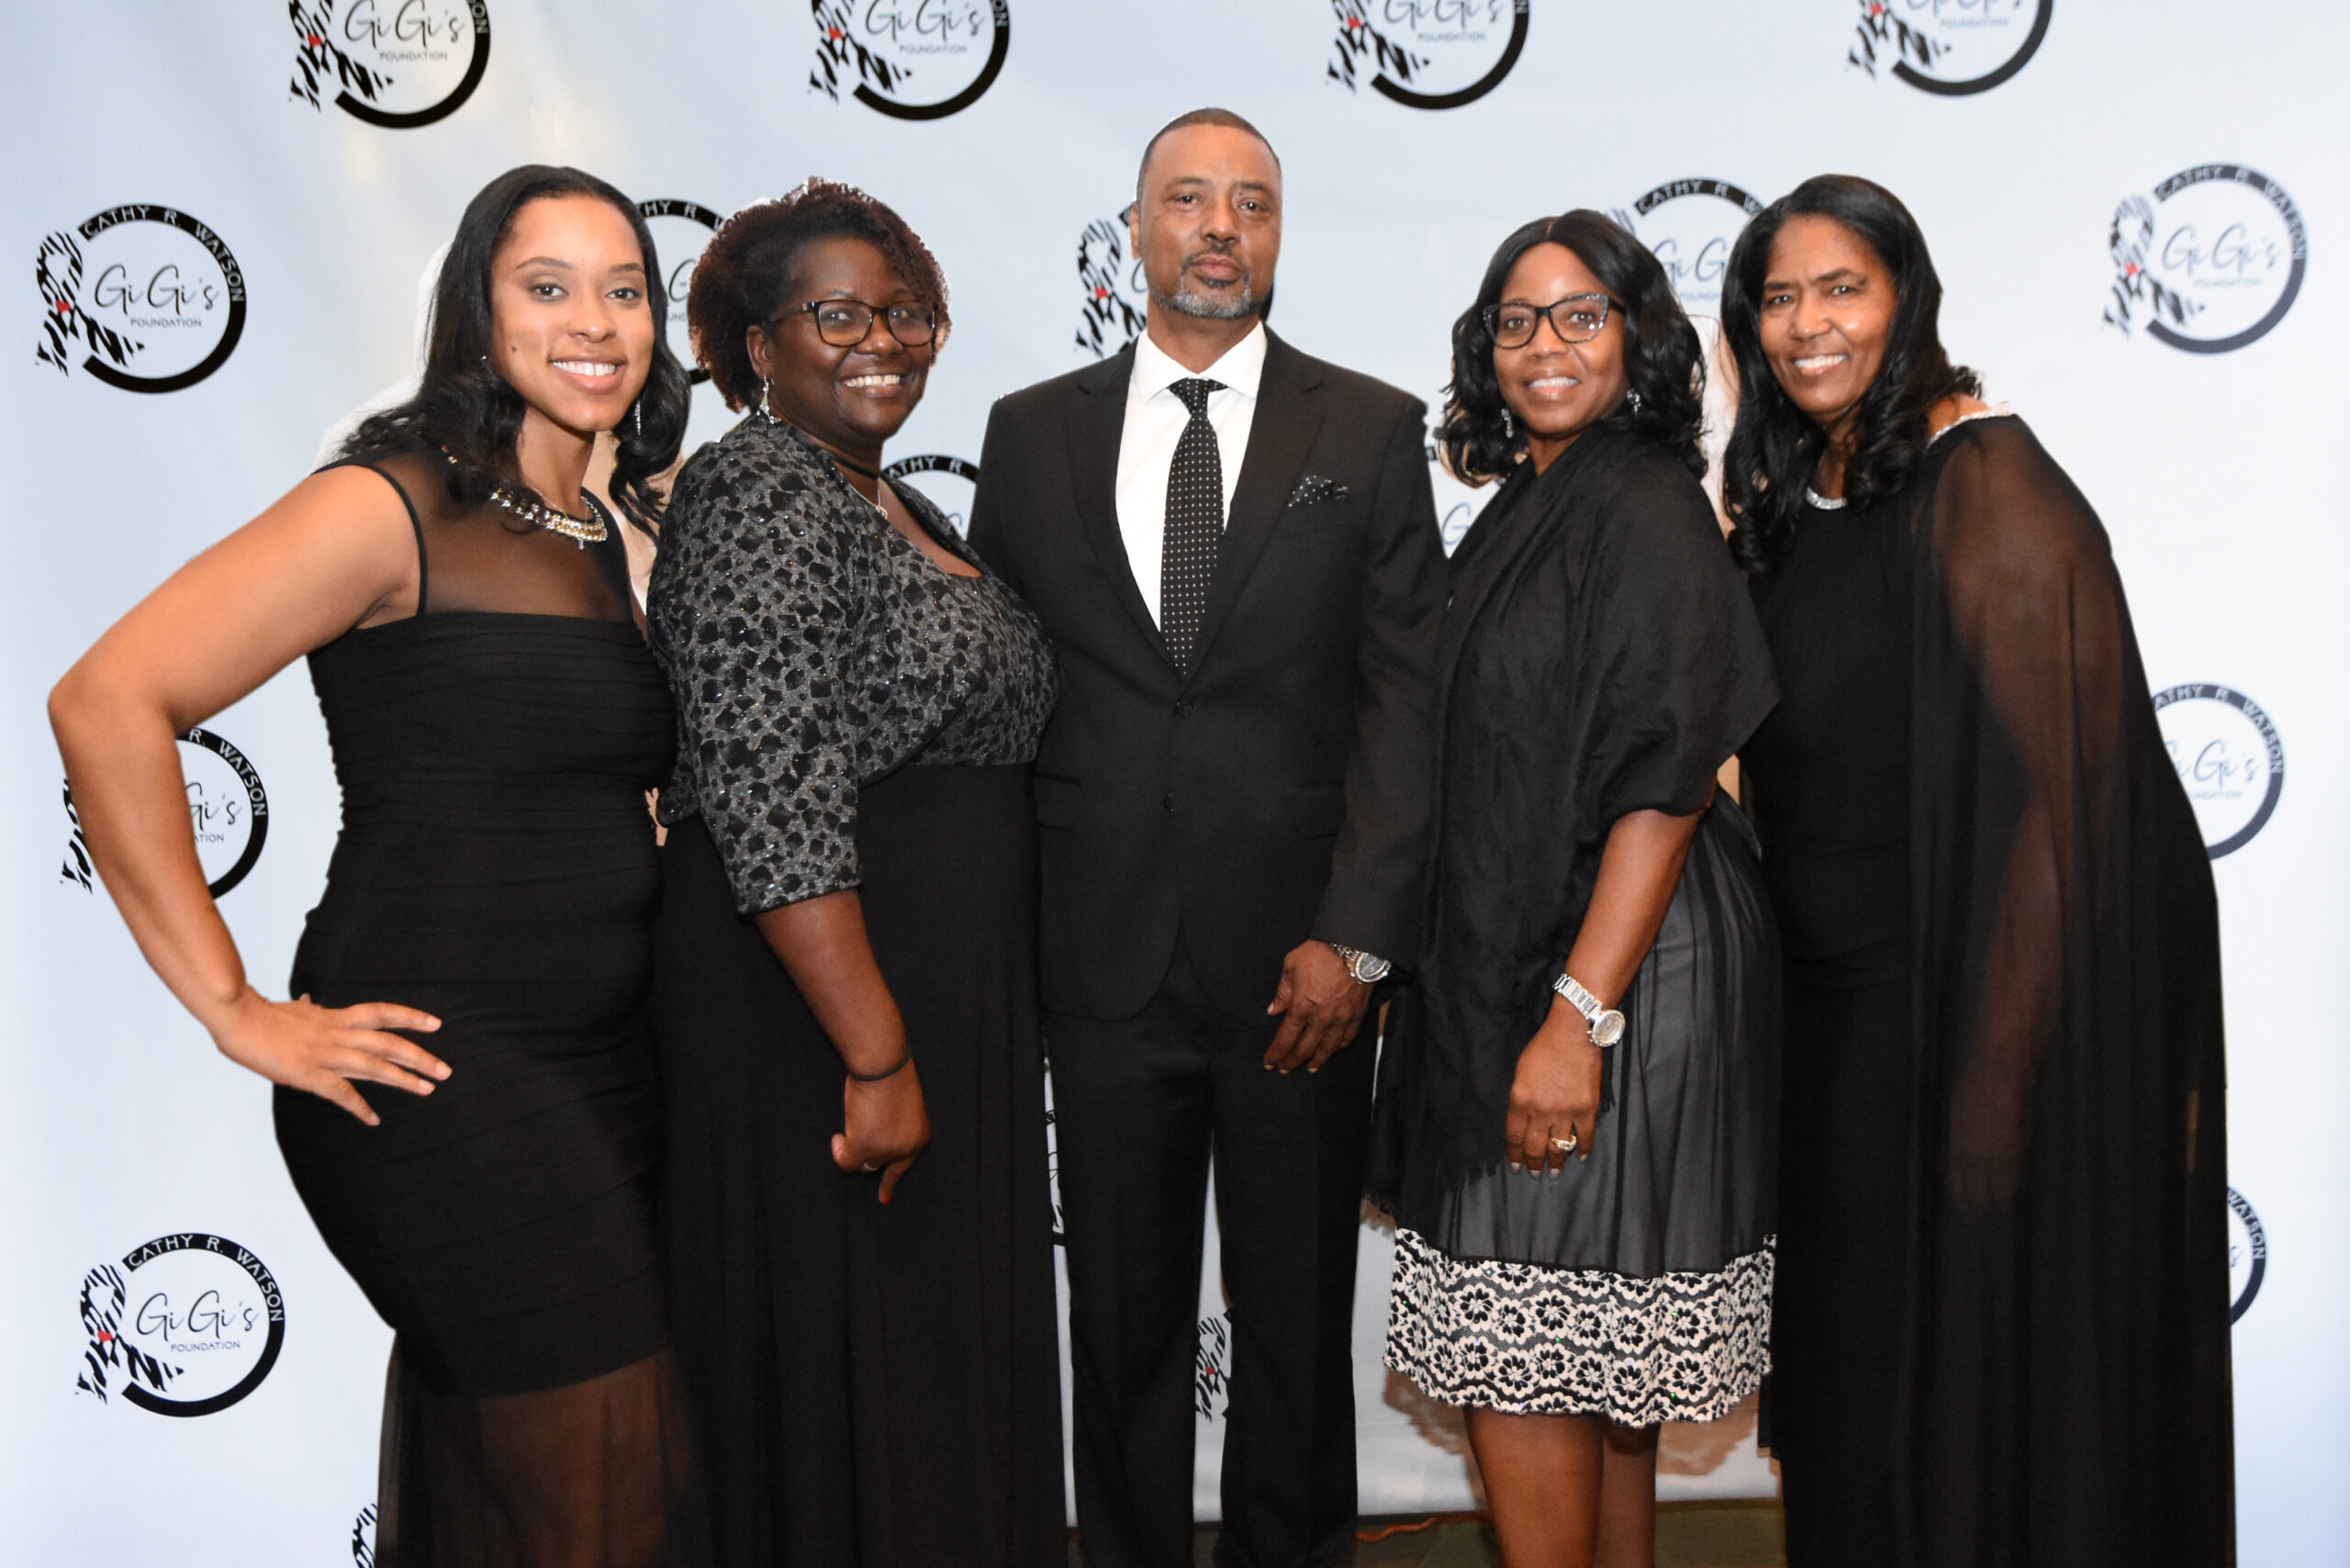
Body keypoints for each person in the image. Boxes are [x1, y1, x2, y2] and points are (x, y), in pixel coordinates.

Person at [49, 164, 704, 1565]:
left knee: (501, 1496)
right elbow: (109, 700)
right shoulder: (389, 506)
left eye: (625, 288)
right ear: (478, 309)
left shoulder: (628, 529)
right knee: (608, 1496)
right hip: (439, 1073)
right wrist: (232, 1008)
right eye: (549, 287)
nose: (596, 320)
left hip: (614, 1072)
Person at [1721, 174, 2233, 1566]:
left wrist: (1995, 1092)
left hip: (1952, 1028)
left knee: (1947, 1401)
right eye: (1779, 296)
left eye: (1844, 289)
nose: (1809, 324)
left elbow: (2071, 812)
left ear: (1908, 298)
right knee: (1850, 1405)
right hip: (1825, 1035)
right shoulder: (1798, 492)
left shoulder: (1987, 479)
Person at [967, 108, 1447, 1568]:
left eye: (1251, 203)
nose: (1220, 227)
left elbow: (1404, 700)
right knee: (1117, 1328)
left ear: (1281, 235)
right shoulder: (1028, 430)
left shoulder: (1363, 427)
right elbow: (998, 686)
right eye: (1188, 200)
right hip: (1099, 960)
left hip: (1301, 970)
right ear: (1136, 231)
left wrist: (1358, 936)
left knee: (1299, 1332)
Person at [645, 178, 1065, 1568]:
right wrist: (877, 1053)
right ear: (756, 347)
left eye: (905, 313)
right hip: (820, 1014)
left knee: (929, 1365)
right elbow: (768, 791)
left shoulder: (892, 504)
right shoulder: (756, 484)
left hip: (926, 994)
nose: (881, 338)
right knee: (851, 1370)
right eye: (836, 313)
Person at [1369, 212, 1781, 1568]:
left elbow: (1665, 783)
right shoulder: (1540, 499)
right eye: (1517, 321)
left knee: (1531, 1366)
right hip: (1550, 960)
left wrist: (1575, 1021)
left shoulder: (1642, 503)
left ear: (1638, 336)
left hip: (1616, 972)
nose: (1546, 344)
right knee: (1591, 1387)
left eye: (1581, 314)